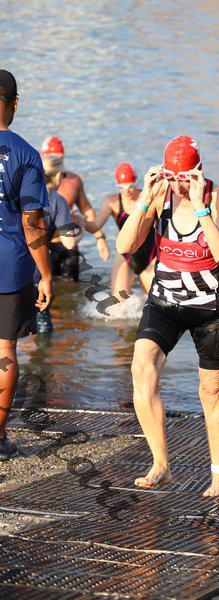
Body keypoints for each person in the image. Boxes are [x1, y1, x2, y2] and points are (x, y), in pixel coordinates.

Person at [116, 136, 219, 496]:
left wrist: (199, 207)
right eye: (173, 177)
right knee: (141, 368)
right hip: (165, 301)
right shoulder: (160, 195)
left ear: (198, 172)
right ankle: (161, 465)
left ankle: (218, 476)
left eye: (185, 178)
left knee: (211, 391)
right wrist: (143, 200)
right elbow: (124, 246)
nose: (179, 186)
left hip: (210, 305)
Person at [0, 70, 52, 459]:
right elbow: (32, 221)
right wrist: (46, 274)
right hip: (10, 265)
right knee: (5, 350)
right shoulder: (26, 154)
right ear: (15, 103)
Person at [83, 162, 156, 300]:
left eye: (131, 186)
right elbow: (95, 226)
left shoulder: (149, 197)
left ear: (136, 183)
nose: (127, 191)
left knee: (153, 301)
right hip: (125, 254)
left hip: (151, 254)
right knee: (118, 303)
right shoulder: (113, 202)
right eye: (121, 187)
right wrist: (80, 221)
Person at [40, 136, 109, 281]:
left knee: (71, 289)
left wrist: (100, 237)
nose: (57, 162)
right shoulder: (32, 185)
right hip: (48, 245)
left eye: (59, 158)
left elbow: (86, 209)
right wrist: (81, 228)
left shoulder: (73, 181)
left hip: (66, 245)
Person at [35, 155, 84, 333]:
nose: (63, 178)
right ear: (56, 175)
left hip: (11, 260)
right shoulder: (56, 200)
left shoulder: (22, 193)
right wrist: (81, 228)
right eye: (63, 175)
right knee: (42, 324)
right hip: (37, 267)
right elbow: (69, 243)